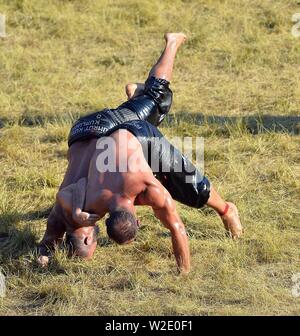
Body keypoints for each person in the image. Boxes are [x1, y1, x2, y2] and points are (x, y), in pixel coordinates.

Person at [37, 33, 242, 273]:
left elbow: (177, 227)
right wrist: (45, 253)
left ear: (87, 239)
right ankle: (136, 97)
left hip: (112, 133)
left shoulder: (90, 205)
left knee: (188, 182)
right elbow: (60, 202)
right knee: (144, 114)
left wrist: (185, 273)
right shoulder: (78, 207)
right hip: (85, 131)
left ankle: (173, 42)